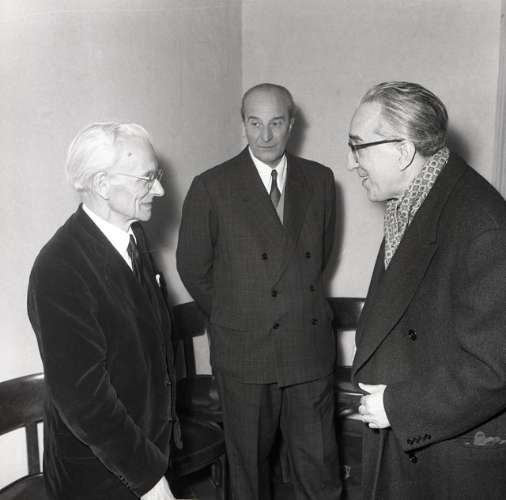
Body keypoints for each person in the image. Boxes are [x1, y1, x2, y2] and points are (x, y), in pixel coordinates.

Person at [176, 83, 342, 500]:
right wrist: (238, 315)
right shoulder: (211, 186)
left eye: (276, 123)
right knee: (248, 474)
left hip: (307, 348)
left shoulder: (320, 180)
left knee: (320, 471)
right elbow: (193, 268)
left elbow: (320, 258)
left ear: (292, 124)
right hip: (244, 353)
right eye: (255, 123)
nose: (265, 136)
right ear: (243, 124)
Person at [347, 81, 506, 500]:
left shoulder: (483, 225)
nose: (350, 162)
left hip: (447, 456)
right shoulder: (417, 201)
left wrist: (397, 406)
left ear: (402, 152)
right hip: (409, 439)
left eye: (357, 146)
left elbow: (495, 368)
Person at [27, 122, 181, 500]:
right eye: (146, 179)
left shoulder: (132, 236)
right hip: (100, 476)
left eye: (157, 175)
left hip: (144, 450)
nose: (159, 190)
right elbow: (85, 400)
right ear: (101, 184)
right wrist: (149, 478)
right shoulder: (60, 267)